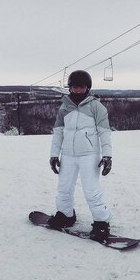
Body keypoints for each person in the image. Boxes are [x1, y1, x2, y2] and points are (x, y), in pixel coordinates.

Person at [48, 70, 113, 241]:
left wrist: (107, 155)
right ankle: (66, 215)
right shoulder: (64, 106)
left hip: (89, 155)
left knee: (92, 191)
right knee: (64, 188)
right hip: (68, 155)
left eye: (81, 87)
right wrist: (55, 155)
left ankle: (101, 222)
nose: (78, 90)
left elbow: (104, 132)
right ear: (69, 87)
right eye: (75, 87)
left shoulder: (96, 107)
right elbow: (58, 132)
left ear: (88, 88)